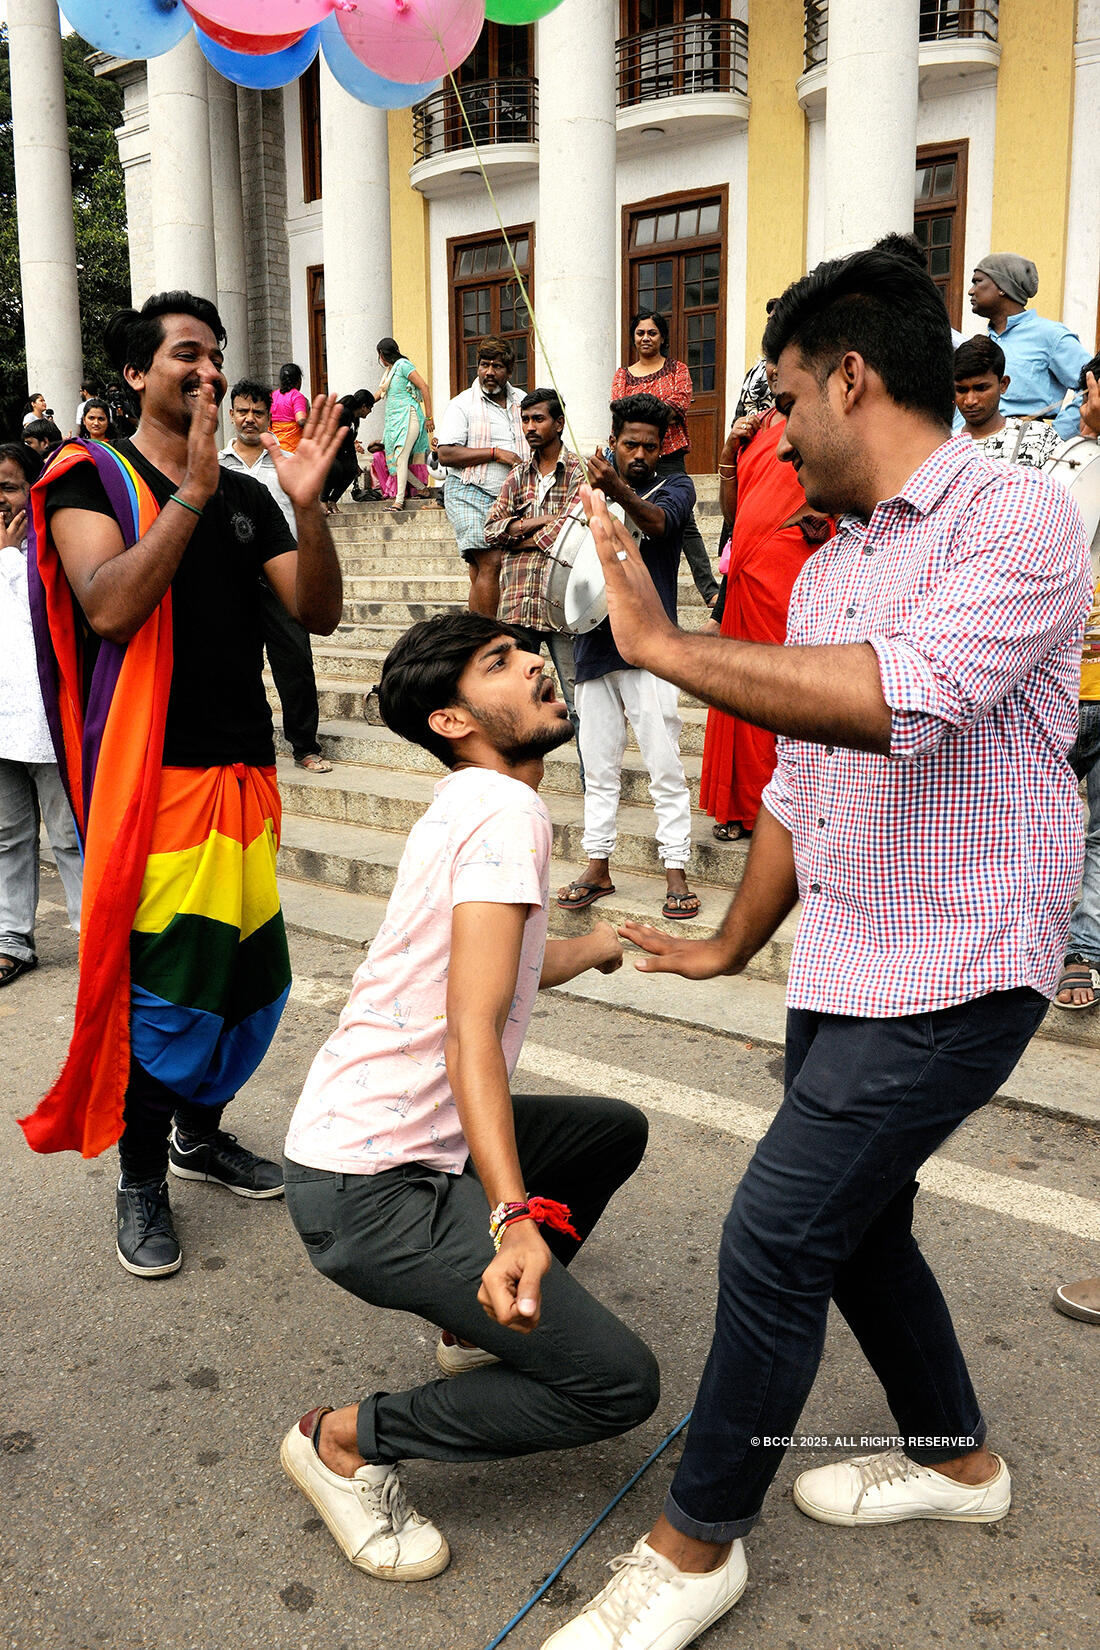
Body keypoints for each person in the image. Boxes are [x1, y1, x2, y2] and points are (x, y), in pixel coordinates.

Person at [542, 247, 1090, 1650]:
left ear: (851, 378)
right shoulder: (832, 560)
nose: (772, 434)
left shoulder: (1015, 516)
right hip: (849, 954)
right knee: (855, 1227)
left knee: (779, 1231)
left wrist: (663, 645)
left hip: (963, 960)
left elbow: (902, 700)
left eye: (783, 399)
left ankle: (695, 1543)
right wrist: (734, 937)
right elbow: (803, 773)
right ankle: (957, 1460)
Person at [280, 610, 657, 1582]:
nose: (534, 661)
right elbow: (471, 1029)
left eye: (525, 649)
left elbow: (496, 967)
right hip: (369, 1190)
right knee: (617, 1385)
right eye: (499, 661)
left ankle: (471, 1322)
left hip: (370, 1145)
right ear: (452, 720)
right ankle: (342, 1441)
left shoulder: (470, 802)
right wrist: (512, 1217)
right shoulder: (502, 812)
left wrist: (602, 944)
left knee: (606, 1133)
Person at [19, 289, 346, 1281]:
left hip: (242, 773)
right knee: (165, 993)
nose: (208, 370)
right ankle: (140, 1179)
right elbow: (110, 607)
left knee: (245, 981)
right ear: (134, 374)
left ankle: (197, 1137)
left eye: (216, 355)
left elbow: (317, 612)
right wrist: (193, 491)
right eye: (186, 355)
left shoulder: (250, 494)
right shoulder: (88, 478)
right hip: (151, 781)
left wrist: (306, 504)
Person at [557, 393, 698, 922]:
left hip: (652, 649)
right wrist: (594, 495)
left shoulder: (676, 487)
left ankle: (676, 869)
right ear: (612, 442)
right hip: (594, 647)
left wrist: (615, 490)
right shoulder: (587, 493)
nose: (640, 454)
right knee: (598, 767)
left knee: (664, 765)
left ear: (661, 449)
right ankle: (598, 866)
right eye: (630, 444)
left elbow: (659, 525)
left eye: (650, 447)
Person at [700, 391, 831, 843]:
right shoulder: (755, 426)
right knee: (741, 688)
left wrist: (814, 517)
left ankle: (787, 808)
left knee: (781, 689)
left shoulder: (824, 414)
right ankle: (739, 804)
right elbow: (734, 513)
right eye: (770, 365)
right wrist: (727, 452)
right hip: (747, 569)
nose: (775, 373)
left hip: (793, 567)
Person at [219, 378, 332, 775]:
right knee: (236, 666)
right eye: (242, 411)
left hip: (283, 579)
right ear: (231, 415)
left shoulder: (288, 461)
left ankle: (305, 746)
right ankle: (247, 744)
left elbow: (305, 515)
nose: (249, 419)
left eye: (258, 412)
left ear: (270, 417)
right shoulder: (215, 466)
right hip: (233, 582)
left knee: (295, 663)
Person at [0, 442, 83, 987]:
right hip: (2, 723)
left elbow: (38, 621)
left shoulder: (53, 549)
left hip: (46, 720)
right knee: (7, 835)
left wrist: (10, 558)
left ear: (33, 490)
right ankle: (11, 937)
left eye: (8, 487)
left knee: (69, 834)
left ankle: (91, 933)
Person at [483, 387, 585, 754]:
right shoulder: (517, 476)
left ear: (558, 423)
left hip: (562, 605)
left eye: (538, 419)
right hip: (517, 605)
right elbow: (490, 530)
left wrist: (518, 535)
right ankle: (516, 780)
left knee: (578, 702)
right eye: (525, 419)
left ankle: (593, 783)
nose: (529, 427)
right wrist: (538, 522)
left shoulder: (579, 472)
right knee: (513, 703)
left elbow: (570, 531)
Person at [611, 309, 718, 606]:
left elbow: (677, 406)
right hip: (630, 460)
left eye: (652, 332)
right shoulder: (622, 374)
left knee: (683, 521)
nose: (646, 338)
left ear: (662, 337)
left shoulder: (677, 370)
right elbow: (619, 409)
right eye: (640, 333)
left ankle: (709, 589)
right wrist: (650, 411)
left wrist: (641, 412)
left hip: (668, 454)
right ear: (633, 338)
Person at [436, 336, 528, 617]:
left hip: (509, 497)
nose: (489, 372)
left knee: (480, 567)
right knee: (491, 561)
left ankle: (476, 632)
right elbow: (446, 454)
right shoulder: (462, 404)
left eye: (497, 366)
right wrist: (495, 453)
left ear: (509, 370)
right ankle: (489, 632)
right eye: (484, 365)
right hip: (468, 491)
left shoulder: (523, 401)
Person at [968, 254, 1091, 437]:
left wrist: (1055, 436)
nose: (971, 291)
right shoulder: (982, 343)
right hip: (973, 444)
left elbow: (1093, 384)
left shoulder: (1050, 335)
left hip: (1024, 446)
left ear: (1002, 288)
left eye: (977, 282)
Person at [953, 337, 1062, 467]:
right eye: (961, 390)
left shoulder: (1039, 437)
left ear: (1003, 384)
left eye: (981, 388)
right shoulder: (945, 447)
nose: (970, 401)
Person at [375, 336, 434, 513]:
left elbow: (424, 387)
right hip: (395, 421)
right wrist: (360, 402)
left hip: (409, 416)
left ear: (382, 354)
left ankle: (398, 502)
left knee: (401, 457)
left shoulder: (403, 365)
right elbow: (379, 393)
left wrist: (429, 417)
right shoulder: (389, 372)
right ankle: (421, 488)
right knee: (396, 460)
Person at [321, 390, 375, 513]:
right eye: (370, 408)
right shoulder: (343, 414)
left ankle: (333, 501)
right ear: (363, 406)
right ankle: (323, 500)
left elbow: (349, 443)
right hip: (328, 451)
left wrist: (355, 464)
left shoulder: (355, 419)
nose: (370, 411)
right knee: (336, 468)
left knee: (352, 470)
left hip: (340, 452)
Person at [270, 363, 310, 452]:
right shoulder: (297, 396)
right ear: (299, 380)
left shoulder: (273, 395)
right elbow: (301, 420)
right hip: (292, 449)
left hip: (275, 448)